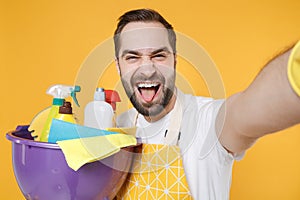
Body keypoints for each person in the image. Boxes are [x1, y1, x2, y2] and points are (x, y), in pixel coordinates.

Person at [112, 8, 300, 200]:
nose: (146, 70)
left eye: (159, 55)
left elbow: (247, 110)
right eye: (132, 57)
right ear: (119, 65)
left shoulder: (207, 119)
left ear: (174, 60)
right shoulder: (117, 128)